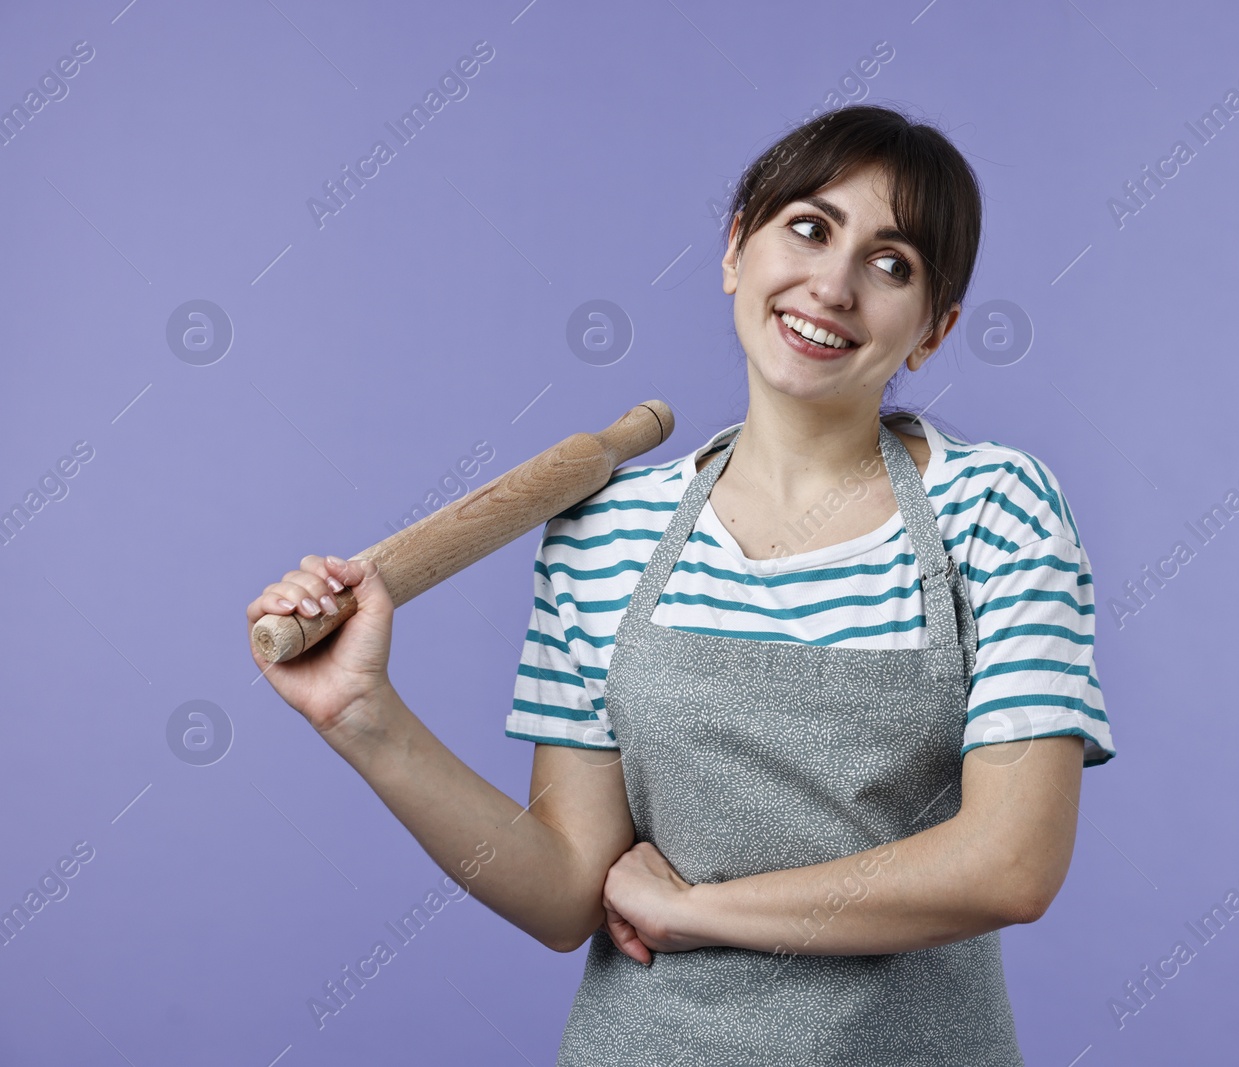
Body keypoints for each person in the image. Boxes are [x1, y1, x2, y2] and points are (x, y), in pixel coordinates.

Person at [246, 103, 1114, 1066]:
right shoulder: (606, 526)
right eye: (811, 227)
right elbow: (566, 890)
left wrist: (704, 910)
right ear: (737, 249)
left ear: (933, 331)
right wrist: (363, 715)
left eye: (892, 262)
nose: (832, 285)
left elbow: (1011, 864)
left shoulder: (995, 509)